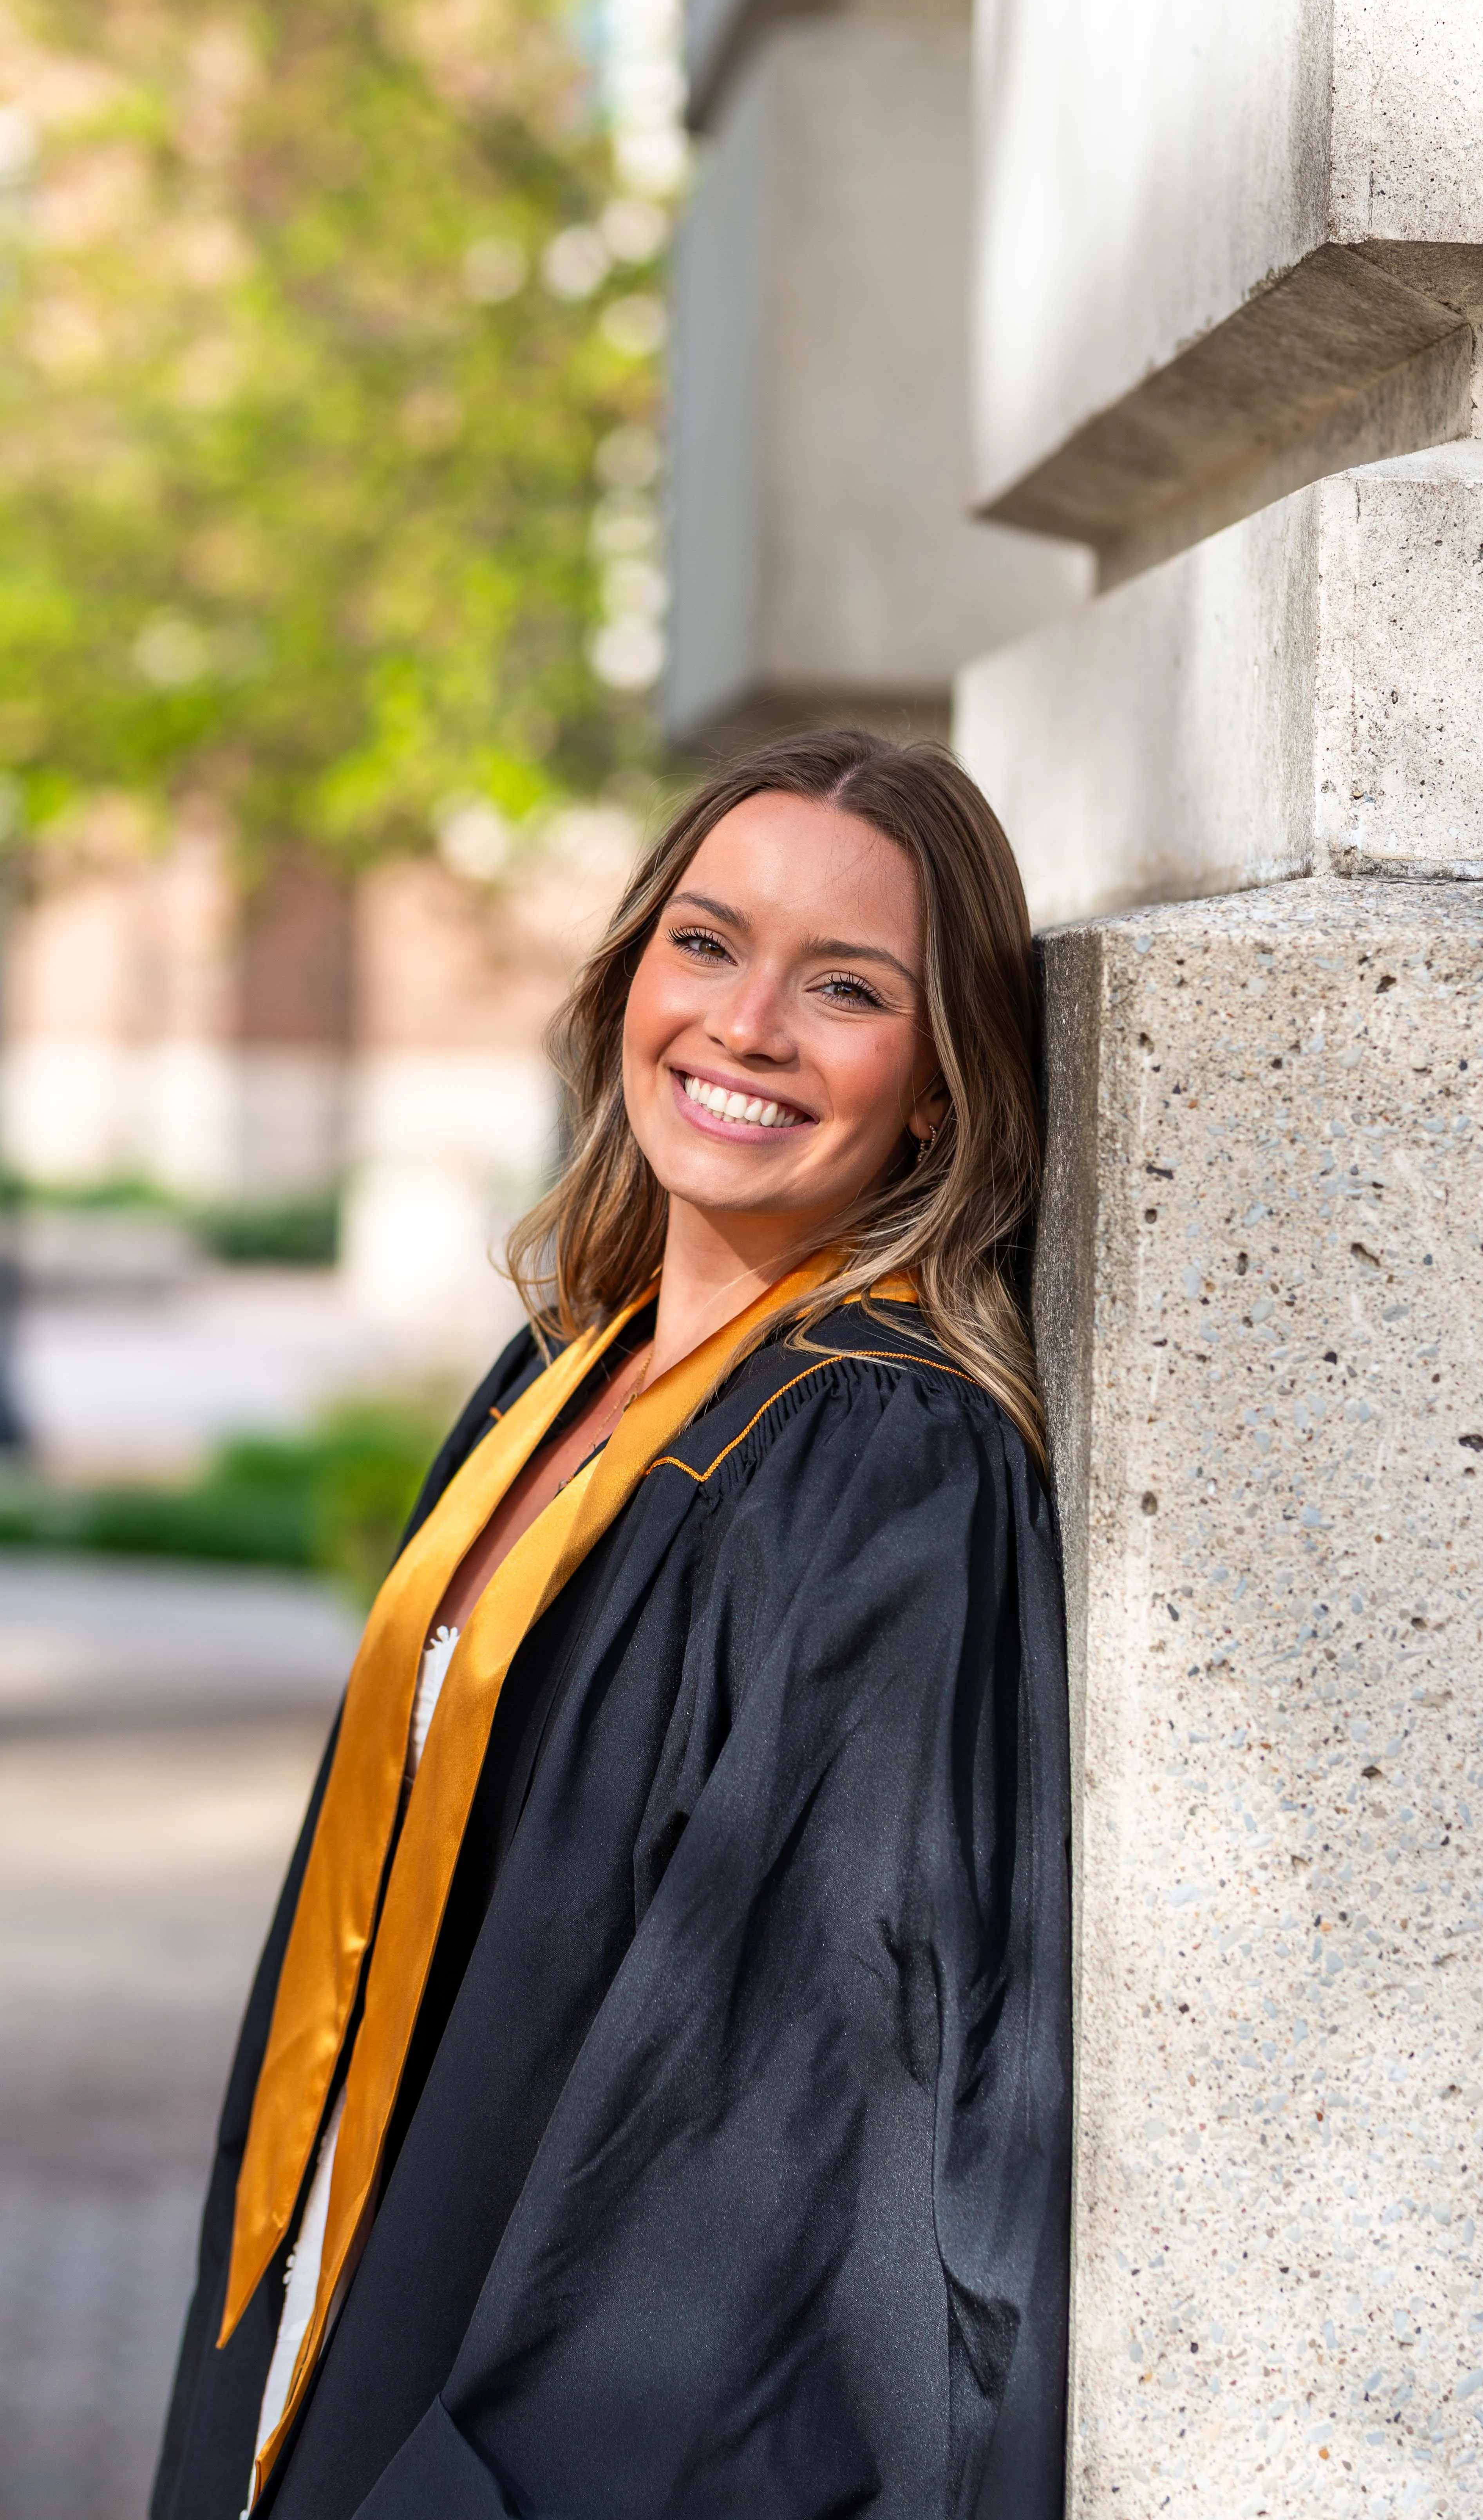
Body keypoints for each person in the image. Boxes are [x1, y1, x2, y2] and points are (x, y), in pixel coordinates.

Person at [152, 731, 1071, 2520]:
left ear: (941, 1085)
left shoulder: (882, 1458)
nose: (746, 1027)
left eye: (850, 987)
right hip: (332, 2278)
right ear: (631, 971)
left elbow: (789, 2090)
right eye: (708, 944)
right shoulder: (561, 1369)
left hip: (516, 2410)